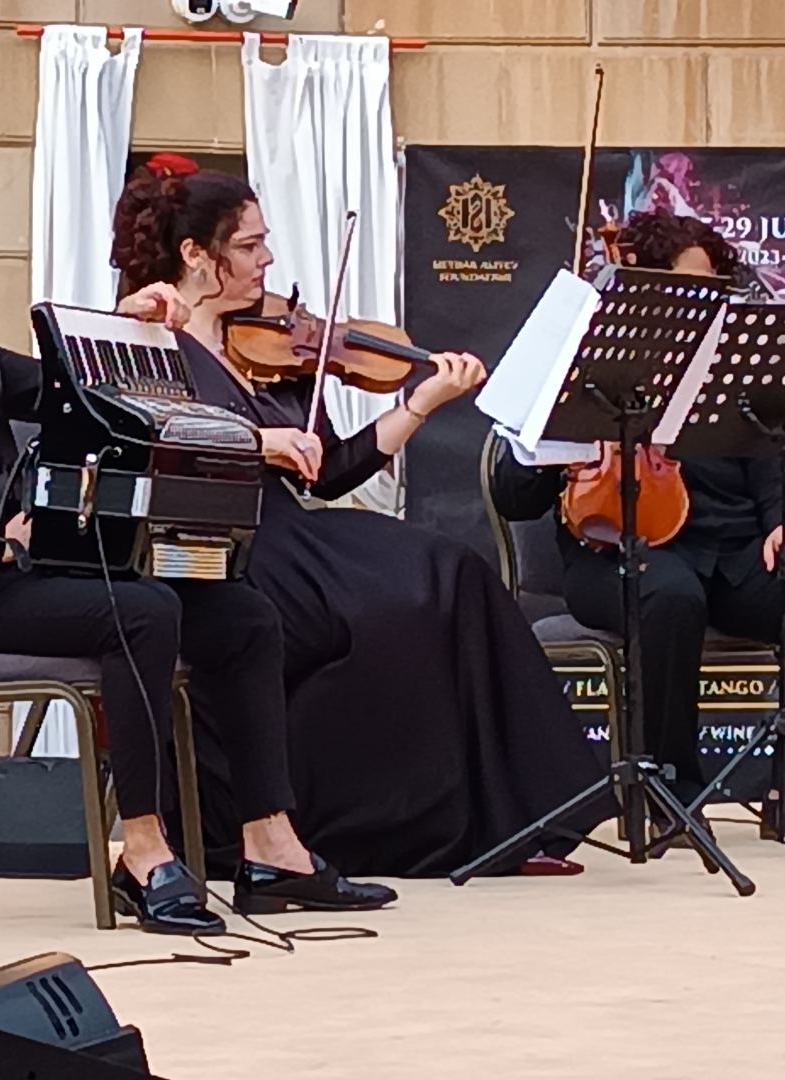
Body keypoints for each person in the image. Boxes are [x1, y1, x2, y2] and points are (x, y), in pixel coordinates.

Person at [0, 129, 396, 932]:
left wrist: (123, 325)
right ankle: (142, 853)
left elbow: (64, 393)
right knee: (144, 610)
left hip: (11, 573)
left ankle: (270, 846)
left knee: (244, 613)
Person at [110, 158, 613, 879]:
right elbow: (152, 446)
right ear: (196, 254)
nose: (268, 259)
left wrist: (420, 404)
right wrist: (254, 441)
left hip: (295, 532)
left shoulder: (254, 345)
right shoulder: (151, 337)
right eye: (249, 245)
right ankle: (388, 831)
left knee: (454, 573)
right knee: (408, 600)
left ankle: (510, 822)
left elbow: (331, 469)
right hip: (234, 547)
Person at [491, 209, 784, 822]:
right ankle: (674, 788)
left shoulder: (727, 364)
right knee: (670, 596)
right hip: (616, 552)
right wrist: (541, 425)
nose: (709, 304)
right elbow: (516, 498)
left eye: (716, 290)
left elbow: (767, 456)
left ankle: (782, 793)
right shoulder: (590, 367)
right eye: (693, 290)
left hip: (732, 553)